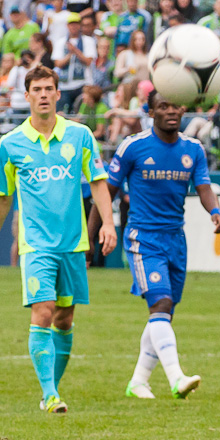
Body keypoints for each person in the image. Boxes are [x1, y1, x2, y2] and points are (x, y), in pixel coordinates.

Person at [0, 66, 117, 413]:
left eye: (48, 88)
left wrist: (108, 224)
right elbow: (4, 196)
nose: (43, 95)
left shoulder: (79, 135)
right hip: (35, 244)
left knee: (64, 319)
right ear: (27, 95)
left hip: (73, 243)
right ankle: (51, 395)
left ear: (57, 93)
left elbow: (98, 181)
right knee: (43, 311)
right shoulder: (10, 144)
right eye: (36, 89)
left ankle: (50, 390)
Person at [107, 90, 220, 400]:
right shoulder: (133, 146)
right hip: (143, 238)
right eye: (163, 106)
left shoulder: (193, 149)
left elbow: (204, 187)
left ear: (183, 109)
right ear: (151, 111)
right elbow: (107, 191)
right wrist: (97, 232)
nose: (171, 111)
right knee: (160, 304)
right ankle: (176, 378)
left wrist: (214, 211)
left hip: (176, 239)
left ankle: (138, 382)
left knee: (164, 312)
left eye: (175, 105)